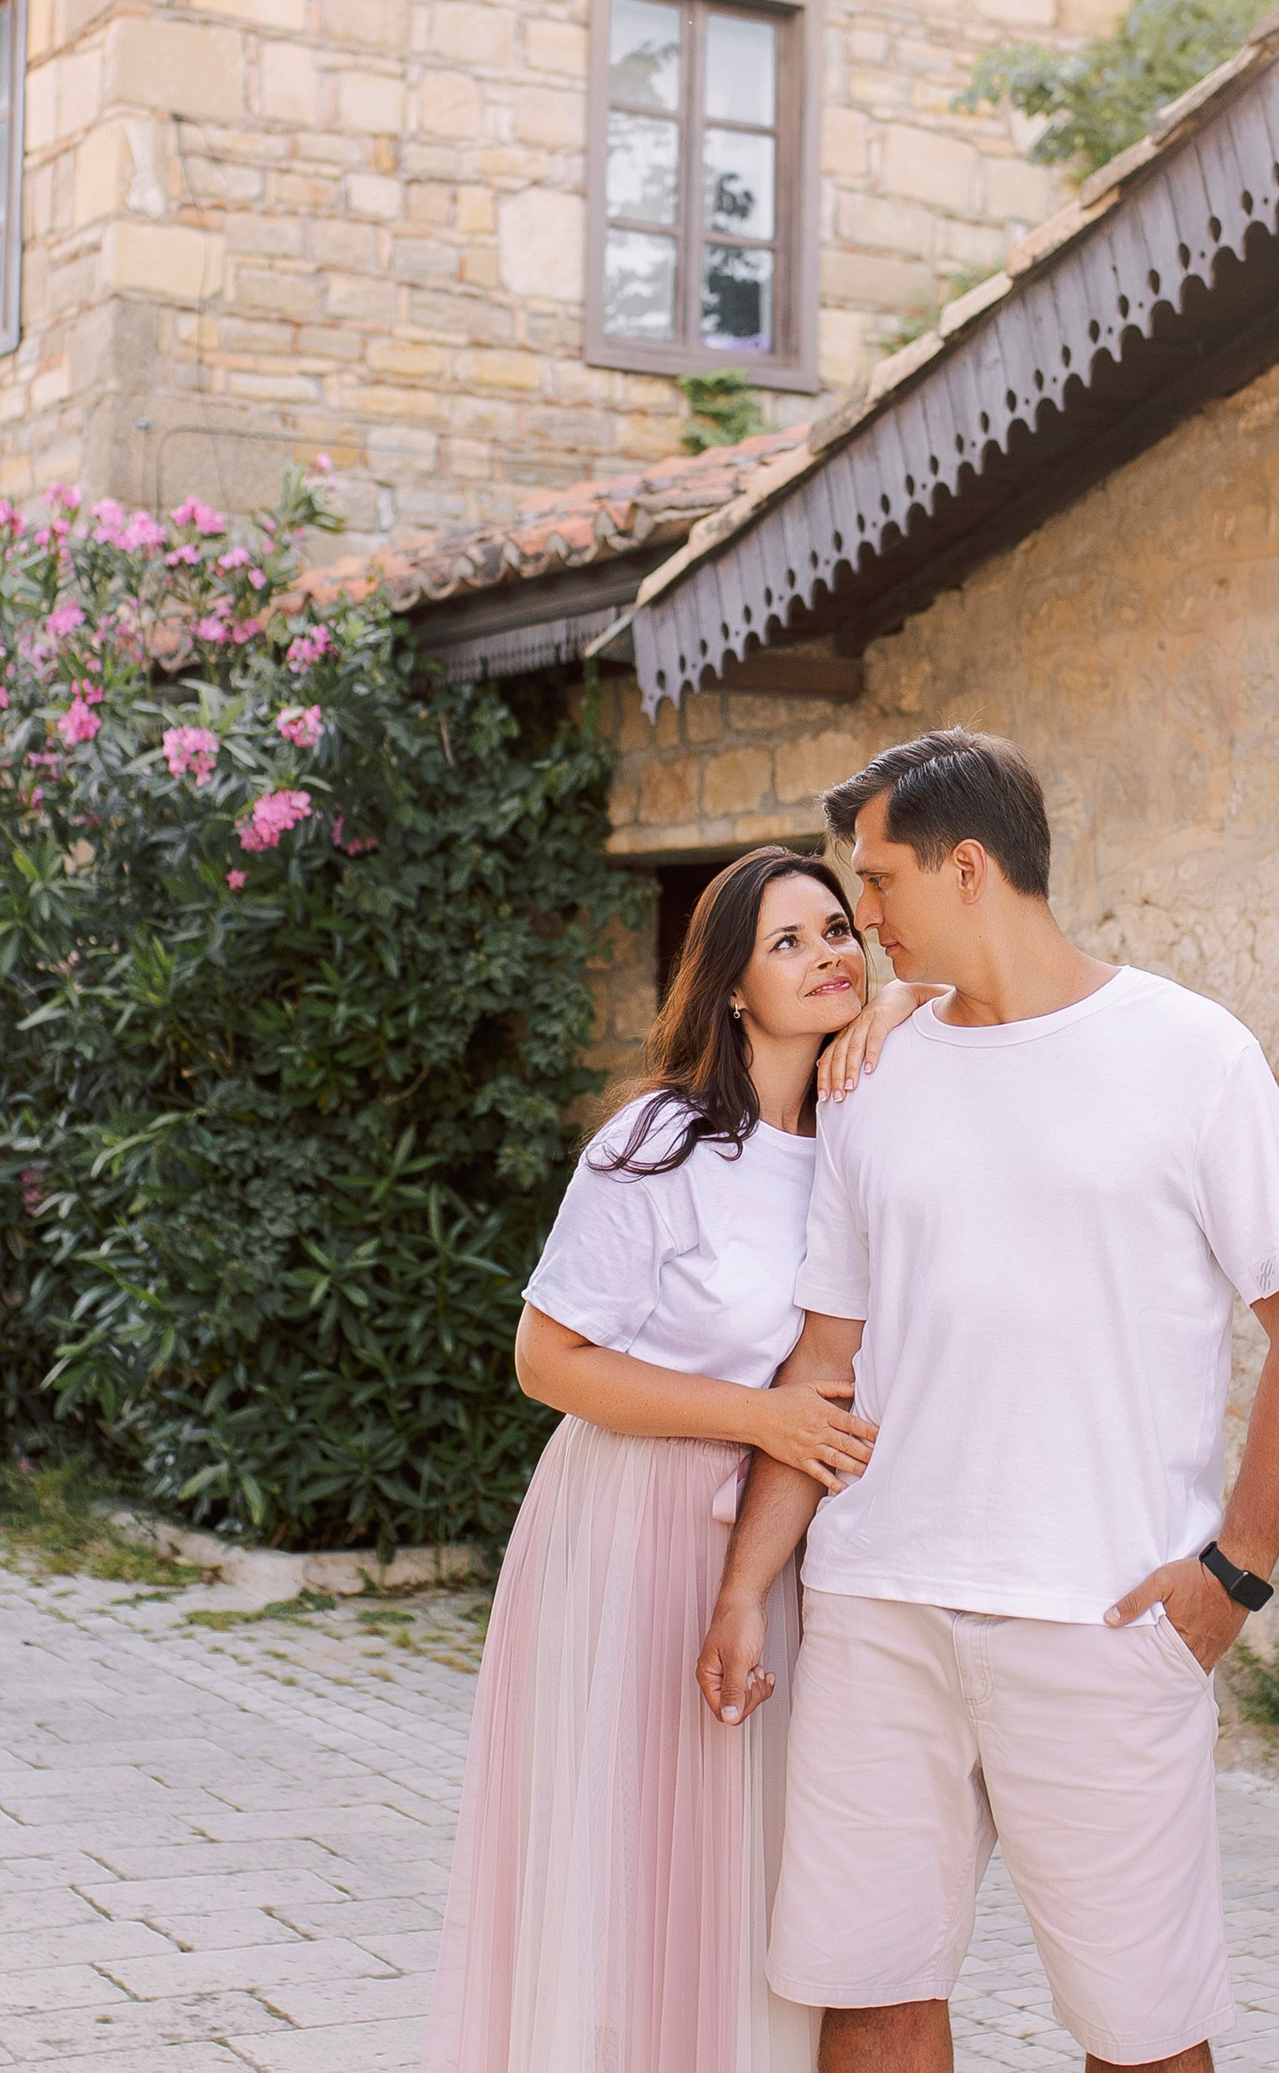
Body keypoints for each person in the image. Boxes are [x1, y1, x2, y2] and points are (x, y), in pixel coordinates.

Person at [698, 729, 1279, 2073]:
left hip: (1102, 1621)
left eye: (877, 883)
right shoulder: (868, 1077)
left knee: (1143, 2033)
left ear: (970, 867)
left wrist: (1234, 1571)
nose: (858, 922)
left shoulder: (1191, 1054)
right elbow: (824, 1361)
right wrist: (743, 1588)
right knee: (868, 2002)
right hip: (880, 1611)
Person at [423, 845, 936, 2073]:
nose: (827, 954)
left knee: (749, 1858)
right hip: (626, 1522)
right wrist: (757, 1417)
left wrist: (902, 999)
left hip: (771, 1536)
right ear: (731, 991)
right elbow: (546, 1361)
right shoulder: (657, 1140)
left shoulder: (860, 1136)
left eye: (835, 931)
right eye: (789, 942)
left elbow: (971, 995)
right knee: (628, 1855)